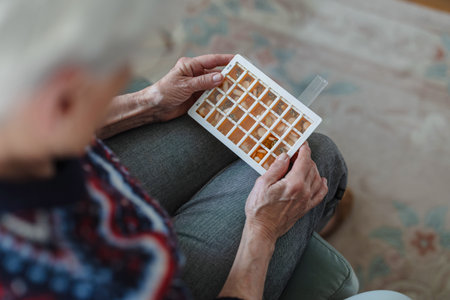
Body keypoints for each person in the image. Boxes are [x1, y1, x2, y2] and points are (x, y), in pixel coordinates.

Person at [0, 0, 347, 299]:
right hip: (155, 278)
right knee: (316, 154)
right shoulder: (90, 280)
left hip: (93, 187)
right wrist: (263, 231)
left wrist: (149, 102)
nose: (124, 77)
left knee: (228, 119)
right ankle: (310, 221)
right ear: (59, 103)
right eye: (118, 68)